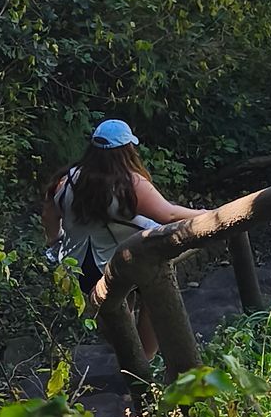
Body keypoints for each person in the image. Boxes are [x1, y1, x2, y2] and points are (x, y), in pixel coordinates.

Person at [44, 118, 204, 363]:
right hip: (131, 259)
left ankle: (132, 361)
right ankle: (146, 361)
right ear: (127, 150)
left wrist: (54, 242)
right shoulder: (130, 184)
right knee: (155, 300)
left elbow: (50, 216)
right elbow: (168, 214)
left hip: (83, 265)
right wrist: (208, 215)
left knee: (116, 317)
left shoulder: (66, 181)